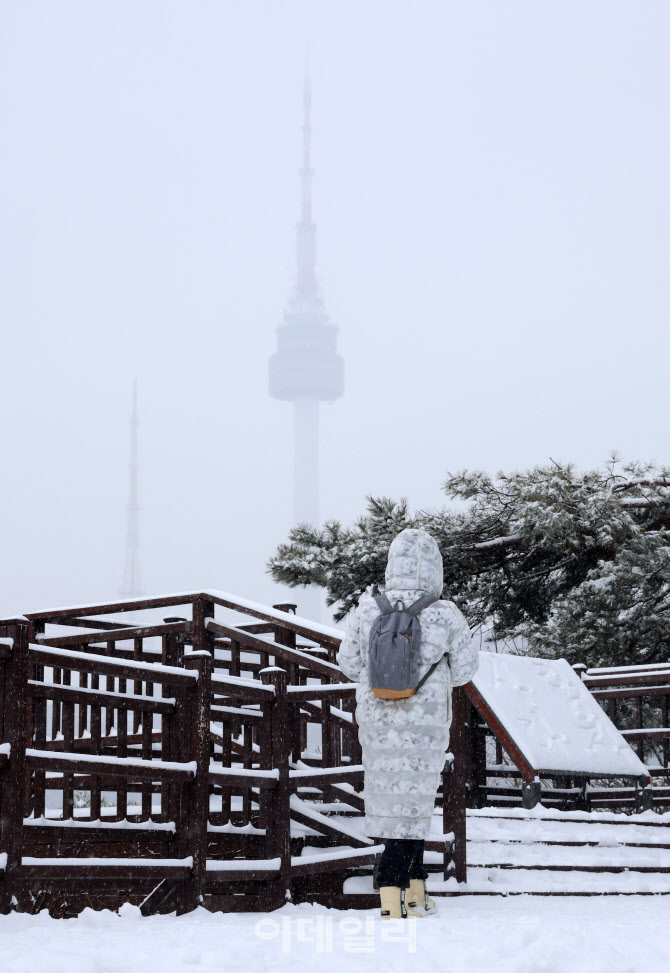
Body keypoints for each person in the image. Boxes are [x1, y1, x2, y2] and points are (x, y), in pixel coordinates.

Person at [337, 527, 479, 919]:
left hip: (378, 721)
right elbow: (465, 670)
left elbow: (348, 665)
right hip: (425, 724)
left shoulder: (368, 609)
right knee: (415, 806)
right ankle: (392, 897)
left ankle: (415, 892)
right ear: (435, 568)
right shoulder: (444, 612)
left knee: (393, 806)